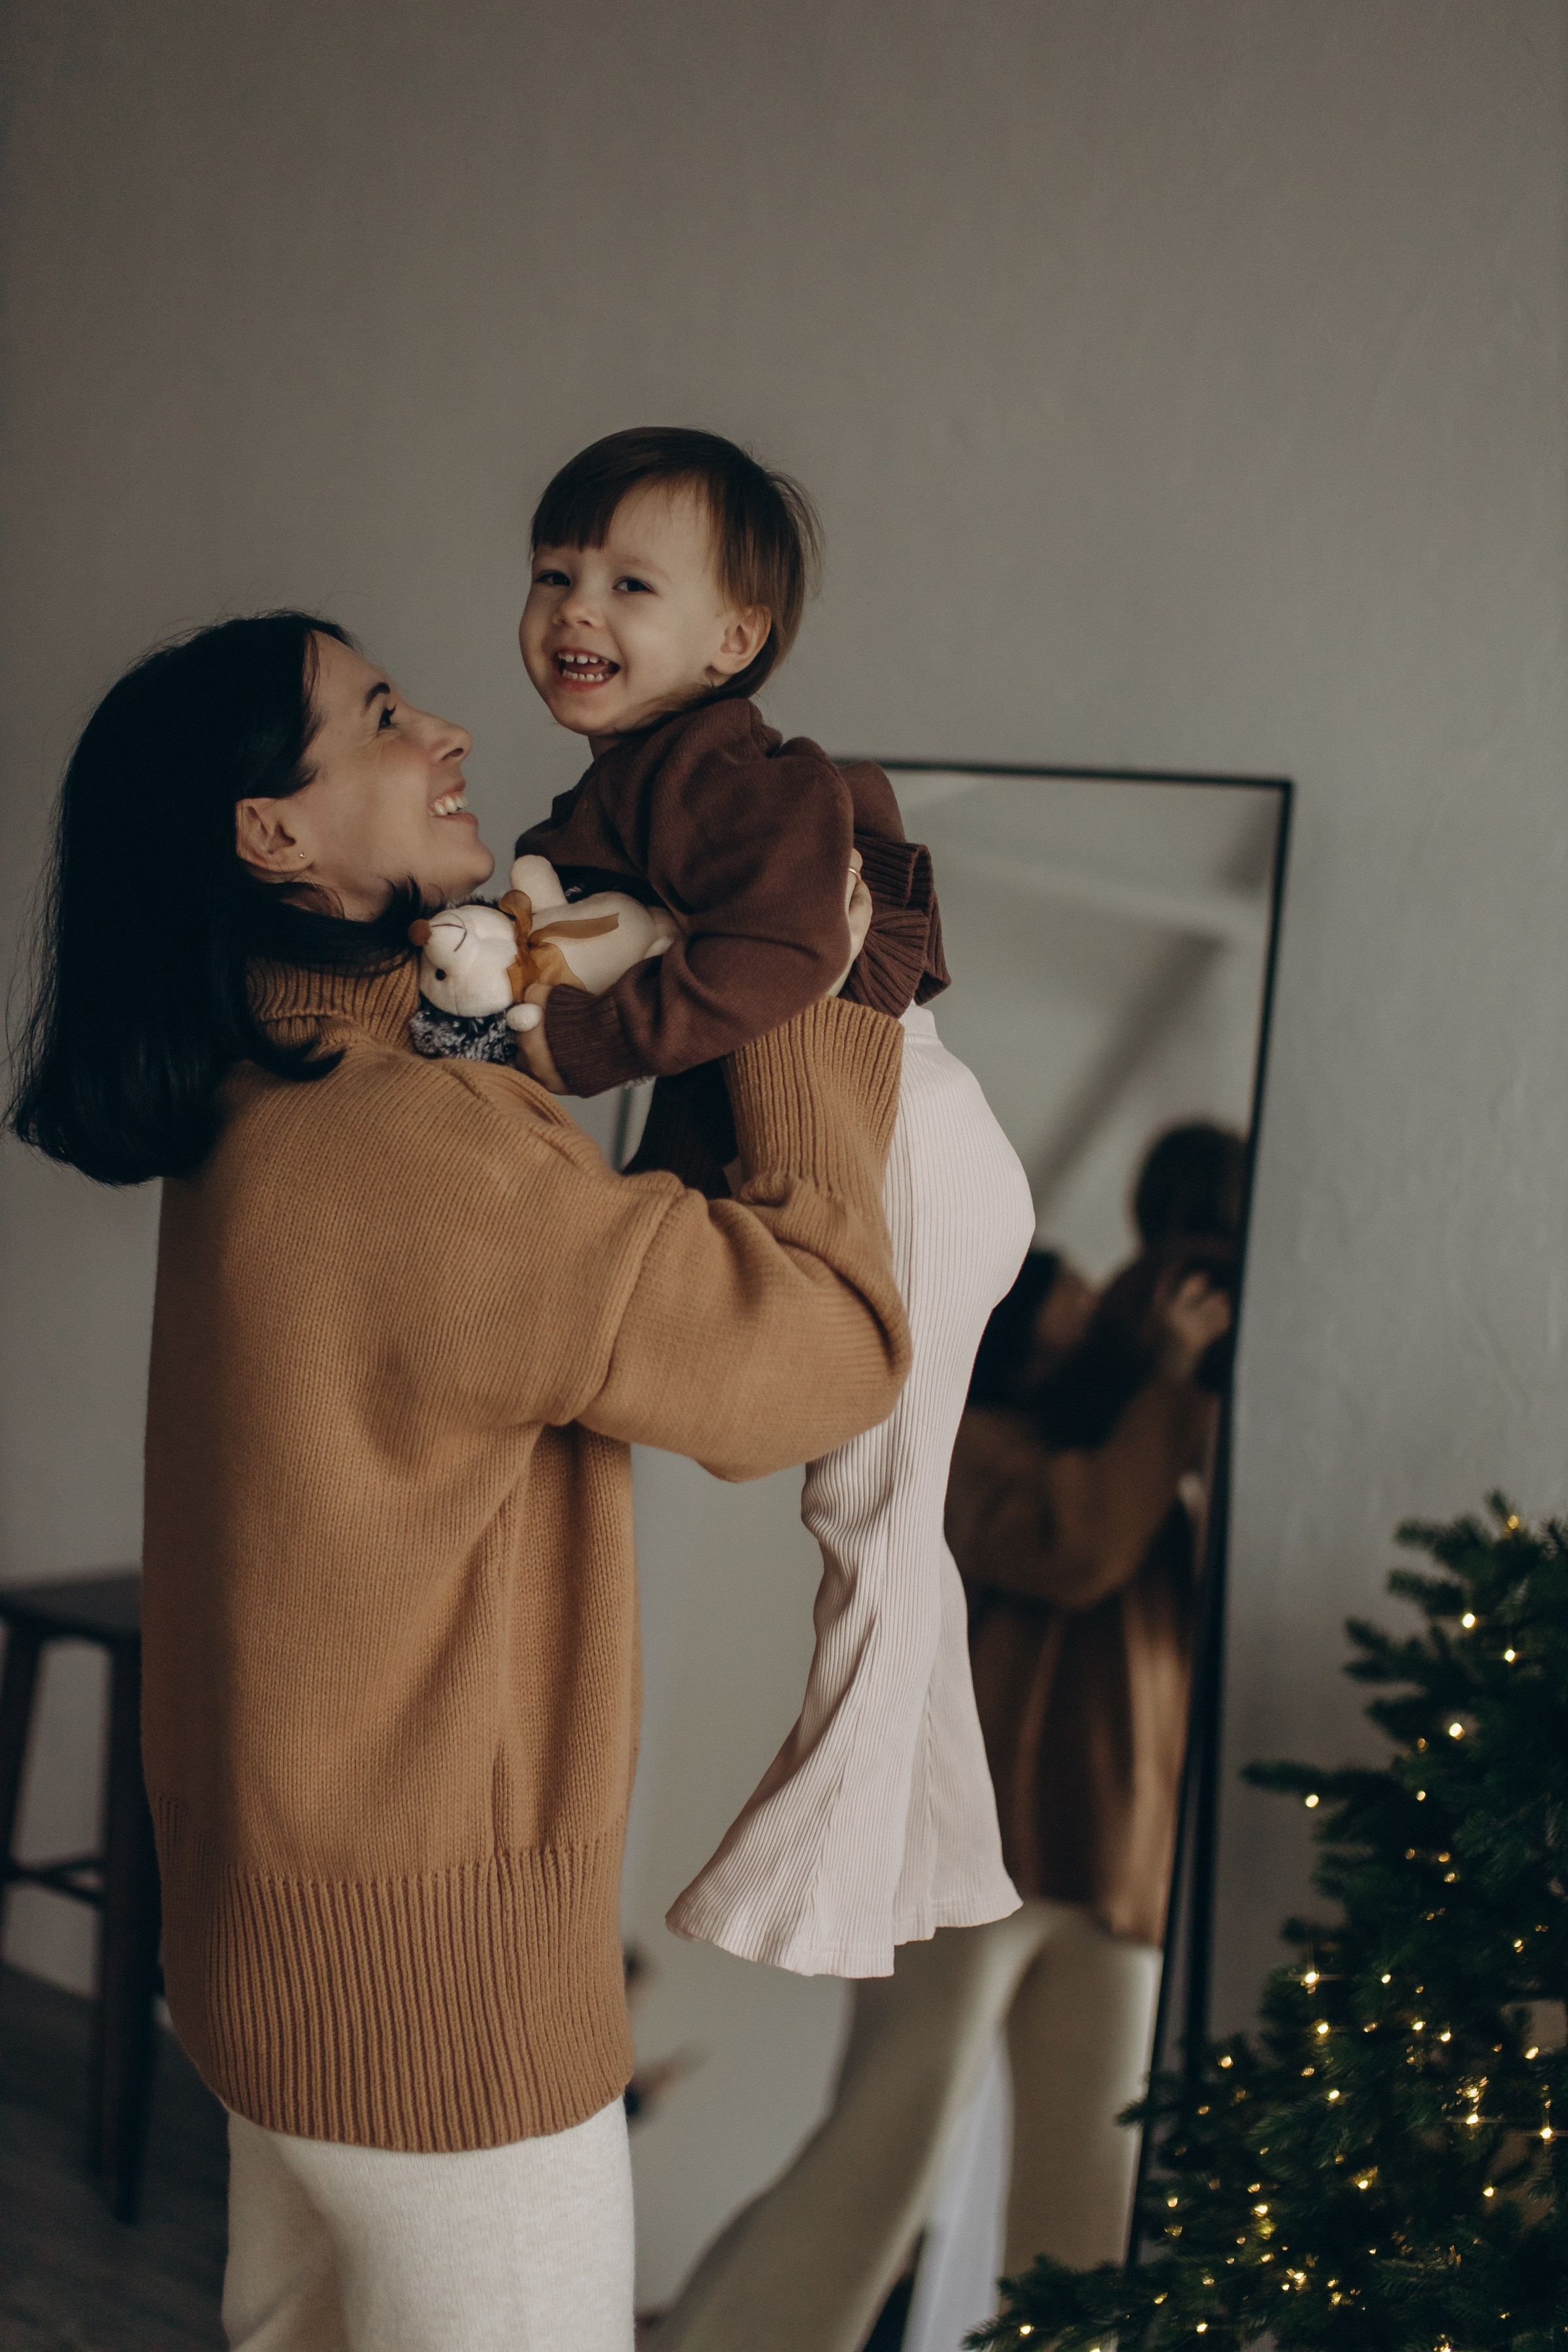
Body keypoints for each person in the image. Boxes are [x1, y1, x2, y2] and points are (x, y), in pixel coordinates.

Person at [6, 610, 908, 2352]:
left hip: (275, 1959)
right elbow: (820, 1357)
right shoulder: (398, 1139)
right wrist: (823, 989)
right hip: (437, 2017)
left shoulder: (280, 1087)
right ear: (271, 834)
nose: (450, 738)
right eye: (379, 716)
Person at [510, 427, 1034, 1978]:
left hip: (907, 1139)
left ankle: (812, 1895)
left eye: (627, 582)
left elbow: (783, 961)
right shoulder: (638, 782)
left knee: (873, 1520)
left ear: (734, 642)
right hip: (902, 1132)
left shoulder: (731, 773)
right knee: (896, 1532)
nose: (571, 610)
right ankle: (941, 1859)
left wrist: (577, 1040)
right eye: (552, 575)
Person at [652, 1132, 1239, 2352]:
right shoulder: (968, 1440)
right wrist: (1169, 1389)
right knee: (891, 2142)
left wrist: (1185, 1397)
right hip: (984, 1839)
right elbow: (1074, 1546)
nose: (1094, 1312)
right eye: (1068, 1301)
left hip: (1117, 1857)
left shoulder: (1141, 1438)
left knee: (1093, 2187)